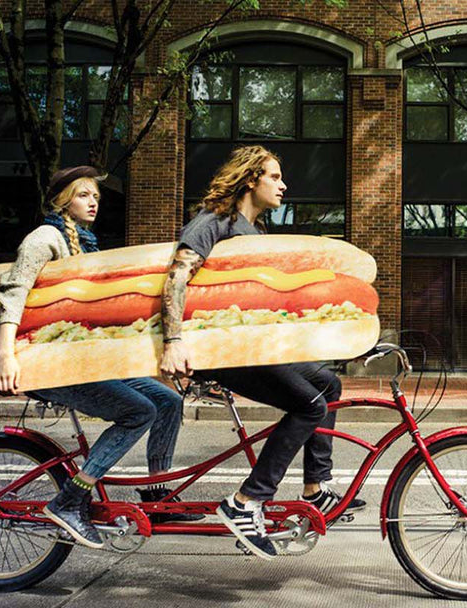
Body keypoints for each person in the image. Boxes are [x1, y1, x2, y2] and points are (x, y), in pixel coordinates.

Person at [159, 145, 364, 560]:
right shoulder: (214, 221)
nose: (283, 185)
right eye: (274, 176)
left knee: (328, 384)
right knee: (309, 405)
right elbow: (177, 277)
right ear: (251, 179)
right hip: (223, 351)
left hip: (254, 347)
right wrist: (173, 342)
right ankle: (246, 500)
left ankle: (315, 488)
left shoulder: (254, 232)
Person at [0, 166, 201, 550]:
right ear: (63, 200)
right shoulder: (45, 238)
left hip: (84, 360)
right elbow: (14, 292)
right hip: (50, 364)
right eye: (84, 195)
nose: (93, 203)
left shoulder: (86, 245)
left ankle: (157, 495)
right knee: (139, 411)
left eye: (96, 197)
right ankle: (70, 498)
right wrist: (6, 356)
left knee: (168, 401)